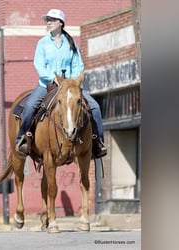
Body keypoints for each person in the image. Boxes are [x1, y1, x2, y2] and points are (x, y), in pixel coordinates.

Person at [15, 8, 107, 158]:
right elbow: (39, 64)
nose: (48, 23)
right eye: (47, 20)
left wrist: (72, 81)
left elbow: (78, 64)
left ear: (60, 23)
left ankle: (98, 142)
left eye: (51, 20)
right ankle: (23, 139)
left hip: (70, 87)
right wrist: (54, 78)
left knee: (95, 107)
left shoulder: (71, 43)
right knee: (30, 106)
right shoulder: (42, 43)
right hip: (47, 85)